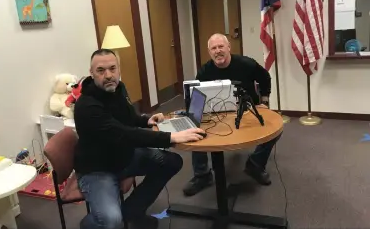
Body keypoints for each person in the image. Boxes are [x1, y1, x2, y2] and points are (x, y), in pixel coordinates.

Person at [74, 49, 205, 229]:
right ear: (91, 73)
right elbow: (124, 133)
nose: (108, 75)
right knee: (111, 220)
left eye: (113, 68)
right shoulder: (87, 106)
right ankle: (93, 223)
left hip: (124, 157)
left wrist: (145, 120)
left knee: (171, 162)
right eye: (101, 70)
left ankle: (131, 211)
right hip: (97, 169)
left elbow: (128, 118)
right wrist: (171, 137)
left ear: (119, 69)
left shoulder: (118, 89)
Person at [183, 33, 282, 197]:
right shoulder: (204, 72)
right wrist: (193, 115)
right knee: (195, 128)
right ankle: (202, 175)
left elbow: (265, 78)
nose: (217, 51)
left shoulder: (246, 64)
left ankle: (255, 165)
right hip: (216, 112)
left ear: (229, 47)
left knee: (274, 129)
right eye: (213, 48)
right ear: (209, 52)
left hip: (246, 108)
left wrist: (264, 102)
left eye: (221, 46)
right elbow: (197, 97)